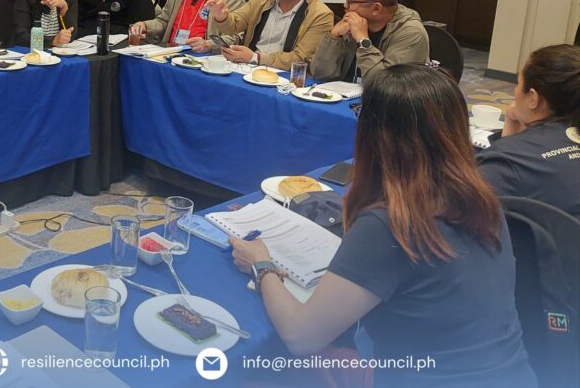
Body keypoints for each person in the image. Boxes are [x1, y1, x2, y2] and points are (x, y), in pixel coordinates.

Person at [231, 65, 536, 388]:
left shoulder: (392, 224)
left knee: (265, 370)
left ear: (377, 134)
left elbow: (300, 336)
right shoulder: (485, 201)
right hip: (516, 375)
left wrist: (262, 265)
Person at [477, 44, 580, 218]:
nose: (514, 91)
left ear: (533, 98)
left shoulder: (506, 161)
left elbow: (460, 213)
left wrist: (509, 144)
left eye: (518, 83)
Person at [310, 0, 429, 82]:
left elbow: (386, 84)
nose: (345, 5)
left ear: (376, 8)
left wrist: (363, 41)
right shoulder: (353, 22)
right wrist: (334, 36)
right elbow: (319, 73)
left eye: (351, 0)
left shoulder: (411, 33)